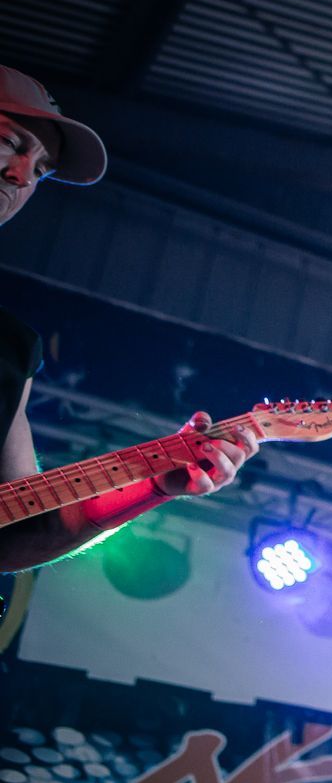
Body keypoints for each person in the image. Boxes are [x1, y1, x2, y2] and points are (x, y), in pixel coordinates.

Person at [0, 64, 258, 572]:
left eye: (42, 168)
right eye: (9, 142)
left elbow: (22, 531)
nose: (22, 174)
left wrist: (155, 483)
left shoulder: (9, 349)